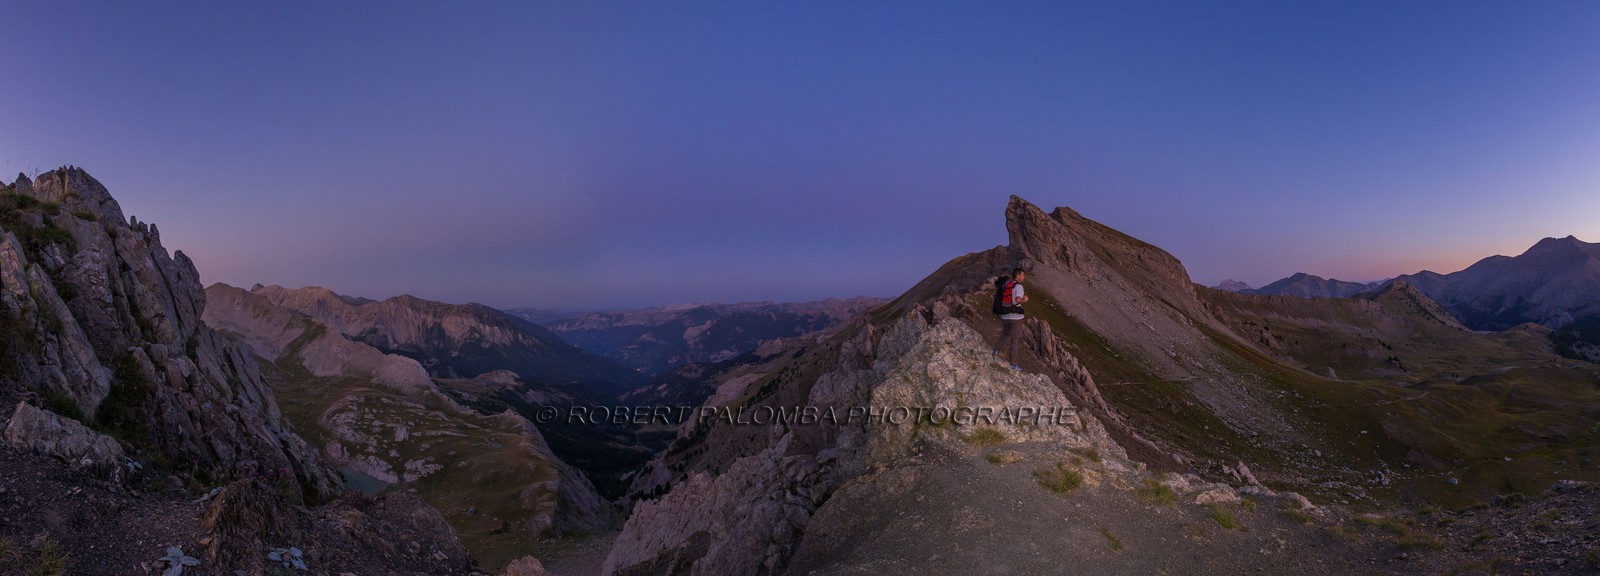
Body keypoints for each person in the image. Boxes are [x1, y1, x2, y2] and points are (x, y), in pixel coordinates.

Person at [993, 268, 1028, 371]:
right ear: (1018, 275)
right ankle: (1013, 363)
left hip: (1005, 315)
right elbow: (1017, 300)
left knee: (1004, 334)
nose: (1024, 277)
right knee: (1015, 339)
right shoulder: (1019, 286)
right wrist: (1024, 299)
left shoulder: (1007, 284)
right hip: (1016, 317)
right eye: (1023, 275)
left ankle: (995, 351)